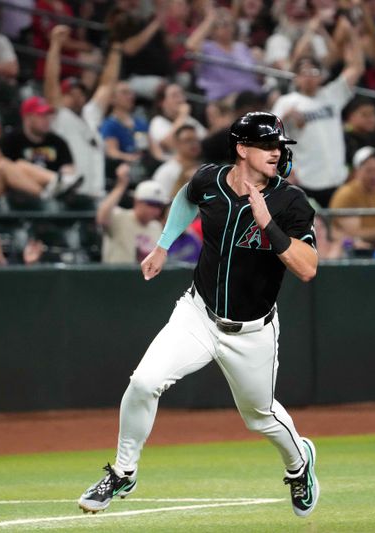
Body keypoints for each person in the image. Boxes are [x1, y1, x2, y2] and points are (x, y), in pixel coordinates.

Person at [78, 112, 320, 519]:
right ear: (242, 149)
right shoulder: (210, 180)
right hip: (198, 314)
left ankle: (299, 464)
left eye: (279, 146)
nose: (277, 152)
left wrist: (269, 225)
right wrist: (163, 245)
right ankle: (123, 471)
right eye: (267, 146)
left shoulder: (290, 201)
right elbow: (186, 198)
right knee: (143, 382)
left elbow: (308, 267)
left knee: (260, 417)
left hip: (252, 331)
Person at [271, 22, 364, 209]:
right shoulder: (287, 101)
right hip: (306, 180)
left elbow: (356, 67)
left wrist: (352, 35)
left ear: (321, 76)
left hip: (338, 178)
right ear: (296, 77)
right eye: (303, 72)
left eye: (314, 72)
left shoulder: (331, 94)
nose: (309, 76)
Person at [44, 25, 119, 201]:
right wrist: (55, 45)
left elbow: (108, 84)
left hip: (97, 194)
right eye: (71, 93)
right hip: (72, 194)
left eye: (81, 93)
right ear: (62, 96)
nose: (77, 97)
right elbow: (51, 80)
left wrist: (116, 49)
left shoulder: (90, 113)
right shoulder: (58, 115)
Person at [0, 95, 79, 201]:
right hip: (20, 194)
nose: (47, 120)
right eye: (41, 115)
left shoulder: (58, 141)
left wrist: (66, 173)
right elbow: (3, 170)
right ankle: (57, 184)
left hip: (53, 194)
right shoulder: (10, 140)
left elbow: (68, 167)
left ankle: (57, 185)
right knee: (20, 165)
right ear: (27, 118)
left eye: (48, 115)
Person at [185, 4, 263, 102]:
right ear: (213, 29)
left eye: (229, 23)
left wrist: (259, 60)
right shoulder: (208, 47)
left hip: (251, 93)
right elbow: (190, 45)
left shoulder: (241, 47)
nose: (227, 28)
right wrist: (210, 19)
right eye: (223, 24)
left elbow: (256, 74)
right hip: (223, 97)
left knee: (274, 95)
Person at [329, 146, 375, 249]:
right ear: (357, 171)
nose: (374, 175)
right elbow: (354, 234)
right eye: (369, 170)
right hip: (355, 250)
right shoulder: (346, 194)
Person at [97, 166, 167, 264]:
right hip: (118, 277)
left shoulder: (157, 227)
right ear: (137, 202)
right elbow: (102, 218)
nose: (155, 210)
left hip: (144, 277)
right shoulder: (120, 216)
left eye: (159, 206)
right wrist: (121, 186)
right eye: (151, 204)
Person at [151, 124, 202, 200]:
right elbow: (160, 202)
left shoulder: (204, 168)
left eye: (196, 140)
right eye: (188, 140)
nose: (194, 144)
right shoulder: (166, 171)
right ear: (176, 143)